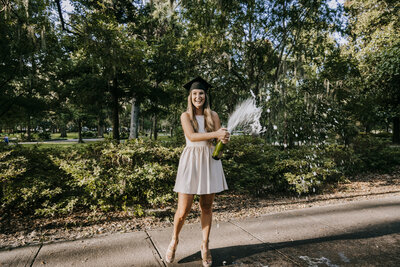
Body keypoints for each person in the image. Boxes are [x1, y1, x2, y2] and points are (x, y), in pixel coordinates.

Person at [165, 76, 230, 267]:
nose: (198, 96)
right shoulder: (186, 116)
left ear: (205, 95)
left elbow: (219, 140)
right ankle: (174, 240)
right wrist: (216, 134)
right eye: (194, 93)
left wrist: (224, 139)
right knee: (183, 210)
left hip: (209, 162)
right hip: (191, 162)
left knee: (207, 207)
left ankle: (205, 245)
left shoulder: (214, 116)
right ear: (190, 96)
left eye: (201, 93)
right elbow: (192, 136)